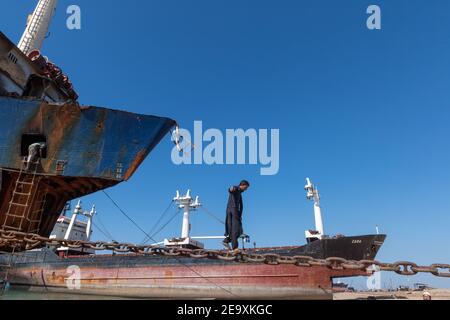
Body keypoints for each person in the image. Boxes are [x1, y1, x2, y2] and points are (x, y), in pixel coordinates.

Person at [223, 180, 250, 252]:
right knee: (236, 229)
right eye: (246, 187)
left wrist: (240, 215)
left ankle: (226, 240)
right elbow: (231, 189)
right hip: (233, 210)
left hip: (231, 210)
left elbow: (241, 206)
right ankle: (235, 248)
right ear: (243, 185)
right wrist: (231, 188)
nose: (246, 189)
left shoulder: (239, 194)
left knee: (233, 229)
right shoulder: (237, 189)